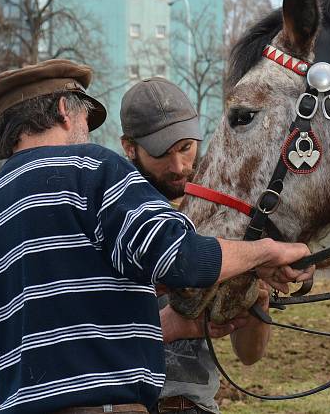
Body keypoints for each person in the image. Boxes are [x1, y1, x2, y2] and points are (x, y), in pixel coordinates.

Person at [0, 59, 312, 414]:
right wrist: (265, 251)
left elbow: (56, 307)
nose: (87, 132)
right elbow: (183, 258)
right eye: (85, 119)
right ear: (66, 110)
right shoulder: (91, 170)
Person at [120, 78, 271, 414]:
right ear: (129, 148)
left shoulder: (218, 222)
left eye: (186, 147)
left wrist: (256, 301)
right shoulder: (111, 217)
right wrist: (166, 326)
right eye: (162, 153)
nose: (179, 167)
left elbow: (250, 355)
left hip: (196, 407)